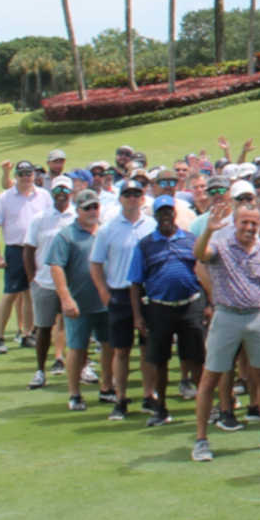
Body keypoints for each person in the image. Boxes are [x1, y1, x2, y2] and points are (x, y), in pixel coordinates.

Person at [190, 204, 260, 462]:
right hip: (226, 316)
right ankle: (201, 440)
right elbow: (199, 253)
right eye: (244, 222)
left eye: (254, 223)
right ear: (235, 222)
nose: (249, 228)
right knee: (211, 378)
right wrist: (209, 231)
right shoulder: (220, 246)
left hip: (256, 317)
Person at [128, 195, 207, 425]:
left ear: (174, 214)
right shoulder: (145, 245)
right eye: (160, 212)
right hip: (159, 308)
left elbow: (204, 275)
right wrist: (137, 317)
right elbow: (135, 283)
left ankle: (204, 408)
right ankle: (161, 408)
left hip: (190, 305)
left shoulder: (191, 240)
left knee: (196, 359)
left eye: (168, 212)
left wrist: (208, 304)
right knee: (159, 361)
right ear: (155, 216)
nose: (165, 216)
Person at [89, 179, 154, 420]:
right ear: (120, 198)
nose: (132, 198)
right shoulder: (108, 228)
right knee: (121, 350)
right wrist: (104, 293)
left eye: (136, 194)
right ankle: (121, 397)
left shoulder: (152, 225)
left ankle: (149, 395)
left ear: (143, 197)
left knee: (148, 349)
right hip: (119, 294)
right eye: (128, 194)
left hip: (147, 294)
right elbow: (95, 264)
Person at [46, 190, 104, 411]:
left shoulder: (106, 231)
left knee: (109, 347)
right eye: (86, 208)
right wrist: (65, 297)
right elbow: (56, 266)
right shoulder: (66, 235)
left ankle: (107, 388)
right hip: (79, 302)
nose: (92, 211)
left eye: (95, 207)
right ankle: (74, 393)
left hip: (106, 300)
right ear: (77, 210)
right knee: (77, 348)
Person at [0, 160, 51, 353]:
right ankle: (0, 337)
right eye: (22, 174)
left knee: (30, 294)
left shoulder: (43, 195)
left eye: (29, 173)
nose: (26, 177)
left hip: (37, 249)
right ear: (16, 176)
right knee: (11, 294)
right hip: (16, 250)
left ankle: (27, 334)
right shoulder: (5, 197)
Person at [23, 176, 75, 389]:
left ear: (71, 192)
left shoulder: (77, 217)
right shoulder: (40, 218)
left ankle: (81, 368)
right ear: (51, 192)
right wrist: (32, 279)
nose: (61, 193)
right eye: (57, 189)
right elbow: (28, 250)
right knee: (44, 328)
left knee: (76, 328)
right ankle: (40, 370)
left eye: (65, 189)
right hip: (44, 282)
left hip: (72, 283)